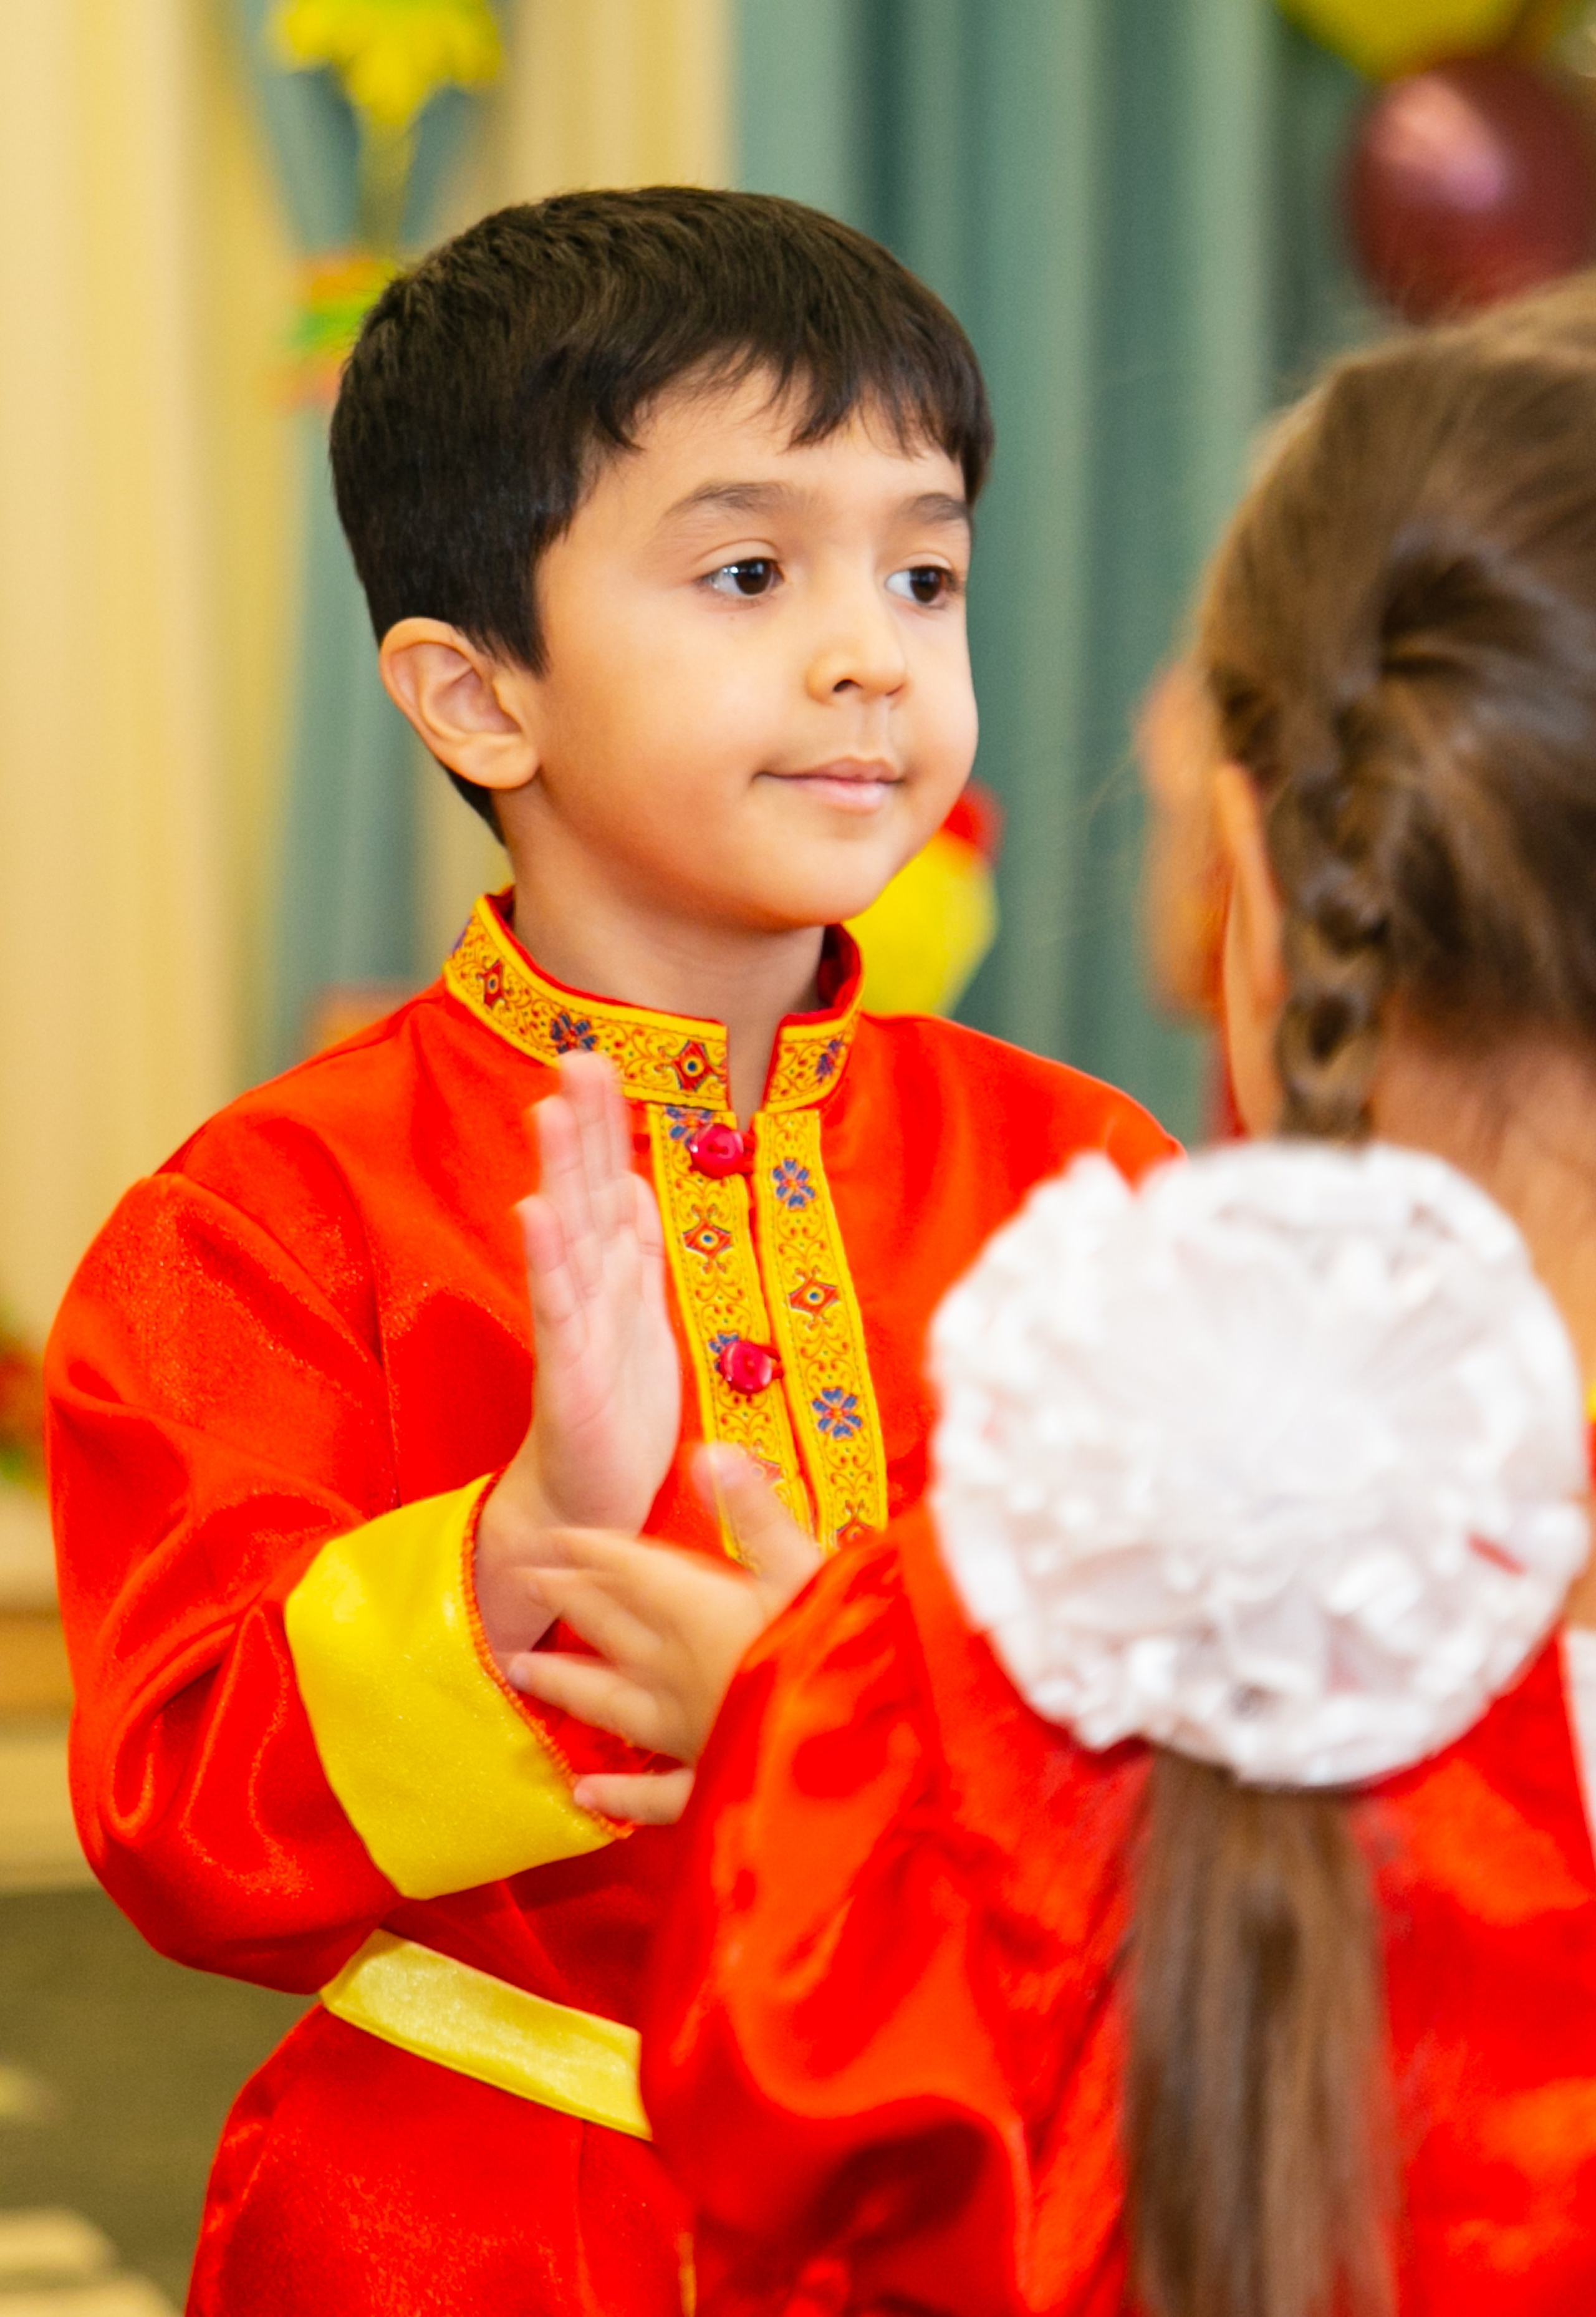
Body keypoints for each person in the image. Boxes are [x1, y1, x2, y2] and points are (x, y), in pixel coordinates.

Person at [43, 189, 1175, 2315]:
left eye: (923, 573)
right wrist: (510, 1556)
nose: (870, 652)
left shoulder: (1090, 1183)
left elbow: (1231, 1731)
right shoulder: (270, 1217)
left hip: (985, 2184)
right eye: (750, 571)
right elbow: (173, 1809)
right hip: (468, 2221)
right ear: (478, 695)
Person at [530, 293, 1596, 2313]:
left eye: (921, 579)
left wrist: (835, 1752)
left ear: (1254, 880)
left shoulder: (993, 1650)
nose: (863, 655)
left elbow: (872, 2190)